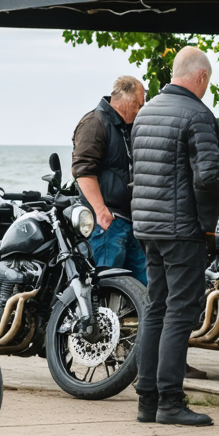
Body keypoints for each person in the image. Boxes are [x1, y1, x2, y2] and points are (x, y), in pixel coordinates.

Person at [130, 46, 219, 426]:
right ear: (201, 76)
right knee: (180, 311)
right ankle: (170, 401)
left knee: (156, 308)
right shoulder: (197, 114)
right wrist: (209, 222)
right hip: (182, 228)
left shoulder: (146, 112)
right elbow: (208, 177)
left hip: (148, 226)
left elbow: (139, 172)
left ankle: (147, 401)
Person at [71, 76, 148, 284]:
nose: (140, 110)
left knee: (144, 286)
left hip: (127, 221)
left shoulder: (125, 127)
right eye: (138, 104)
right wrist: (100, 210)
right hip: (107, 223)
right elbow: (83, 171)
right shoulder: (95, 123)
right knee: (107, 286)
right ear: (126, 99)